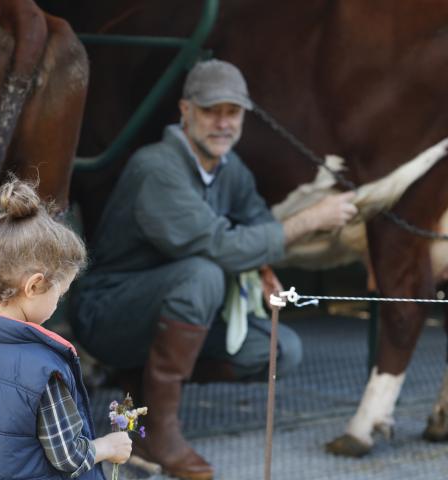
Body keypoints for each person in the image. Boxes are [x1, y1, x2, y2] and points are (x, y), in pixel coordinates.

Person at [70, 60, 357, 480]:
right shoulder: (157, 166)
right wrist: (311, 219)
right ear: (185, 111)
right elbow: (220, 247)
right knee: (203, 273)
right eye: (211, 110)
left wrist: (259, 264)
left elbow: (257, 221)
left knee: (278, 350)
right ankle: (160, 434)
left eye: (233, 112)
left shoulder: (229, 169)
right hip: (108, 313)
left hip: (171, 313)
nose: (223, 123)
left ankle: (138, 385)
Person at [0, 178, 131, 480]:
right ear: (33, 286)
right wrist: (108, 447)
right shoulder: (42, 370)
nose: (58, 303)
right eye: (60, 293)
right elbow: (68, 457)